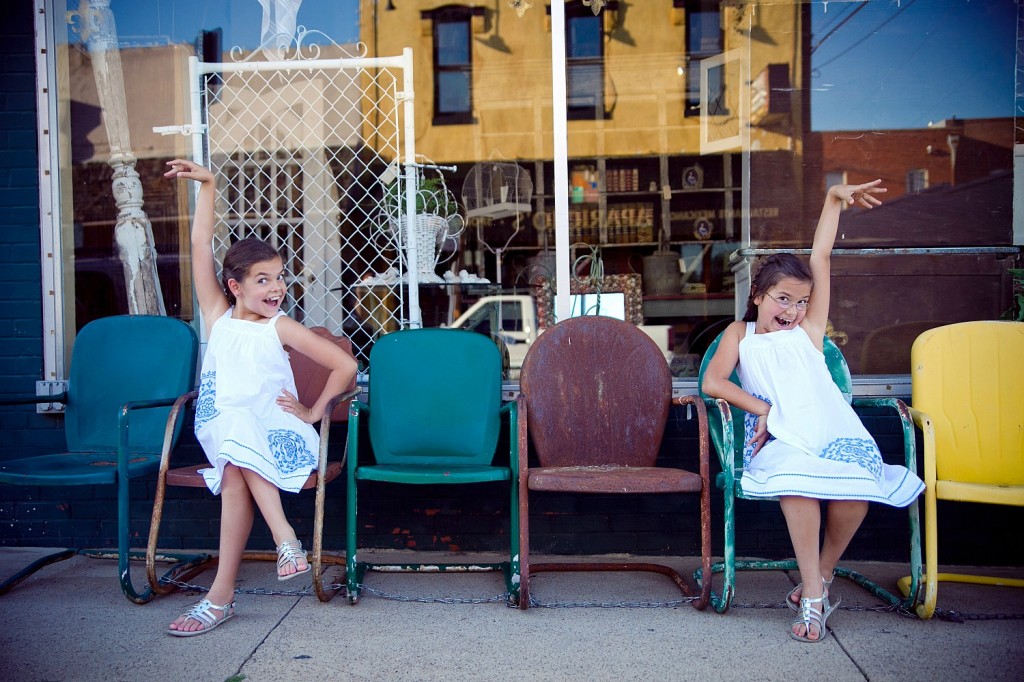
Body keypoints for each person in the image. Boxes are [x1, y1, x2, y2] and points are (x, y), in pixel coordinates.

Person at [701, 180, 924, 643]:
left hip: (832, 429)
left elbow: (820, 258)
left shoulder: (809, 332)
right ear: (758, 294)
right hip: (779, 435)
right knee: (799, 485)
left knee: (855, 488)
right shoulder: (740, 336)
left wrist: (831, 200)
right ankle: (814, 600)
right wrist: (762, 407)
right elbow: (712, 382)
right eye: (784, 299)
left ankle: (817, 577)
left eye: (802, 302)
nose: (794, 310)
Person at [163, 159, 358, 637]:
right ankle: (284, 537)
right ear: (235, 286)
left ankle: (219, 599)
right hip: (223, 423)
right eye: (263, 280)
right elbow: (198, 244)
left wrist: (313, 412)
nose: (277, 288)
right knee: (234, 431)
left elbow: (346, 366)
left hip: (275, 433)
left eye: (280, 277)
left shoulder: (281, 326)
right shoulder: (218, 315)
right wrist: (209, 185)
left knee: (233, 473)